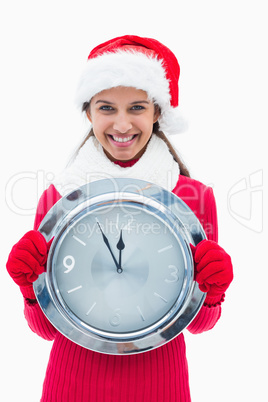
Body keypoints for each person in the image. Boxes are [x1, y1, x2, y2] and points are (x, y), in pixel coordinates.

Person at [6, 35, 233, 402]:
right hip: (71, 386)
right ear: (89, 112)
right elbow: (46, 331)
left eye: (137, 108)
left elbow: (201, 325)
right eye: (107, 108)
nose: (122, 124)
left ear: (157, 113)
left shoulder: (193, 198)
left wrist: (213, 291)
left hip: (161, 388)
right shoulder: (57, 197)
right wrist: (29, 288)